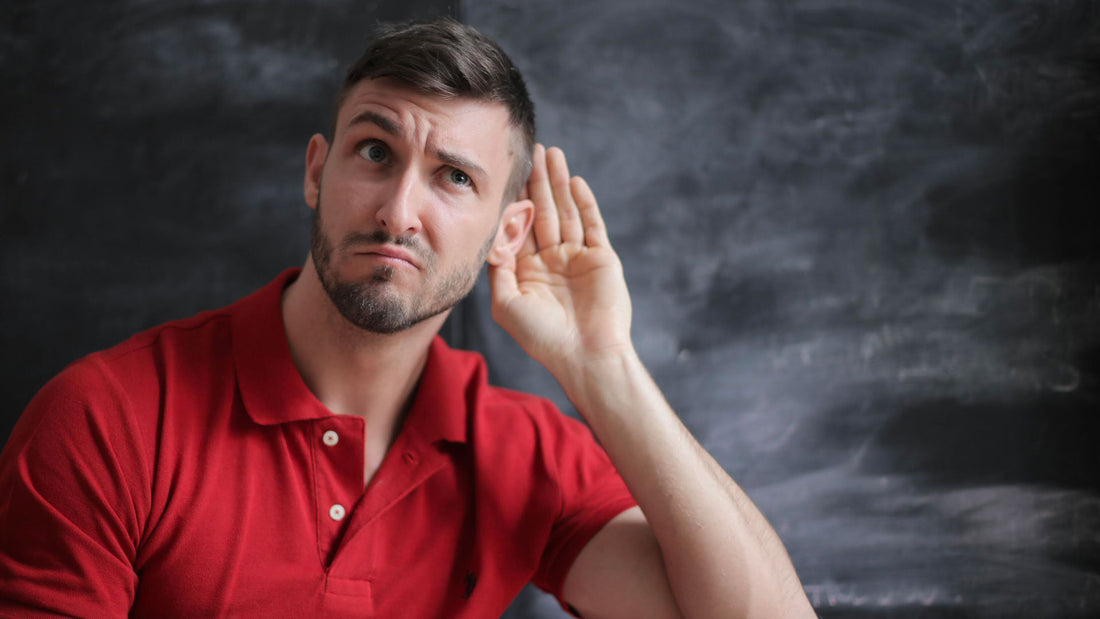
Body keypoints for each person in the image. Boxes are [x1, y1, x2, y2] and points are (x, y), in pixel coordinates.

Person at [0, 19, 815, 618]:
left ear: (508, 232)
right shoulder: (106, 419)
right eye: (375, 152)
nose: (398, 211)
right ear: (317, 171)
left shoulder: (521, 454)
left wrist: (605, 365)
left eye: (454, 177)